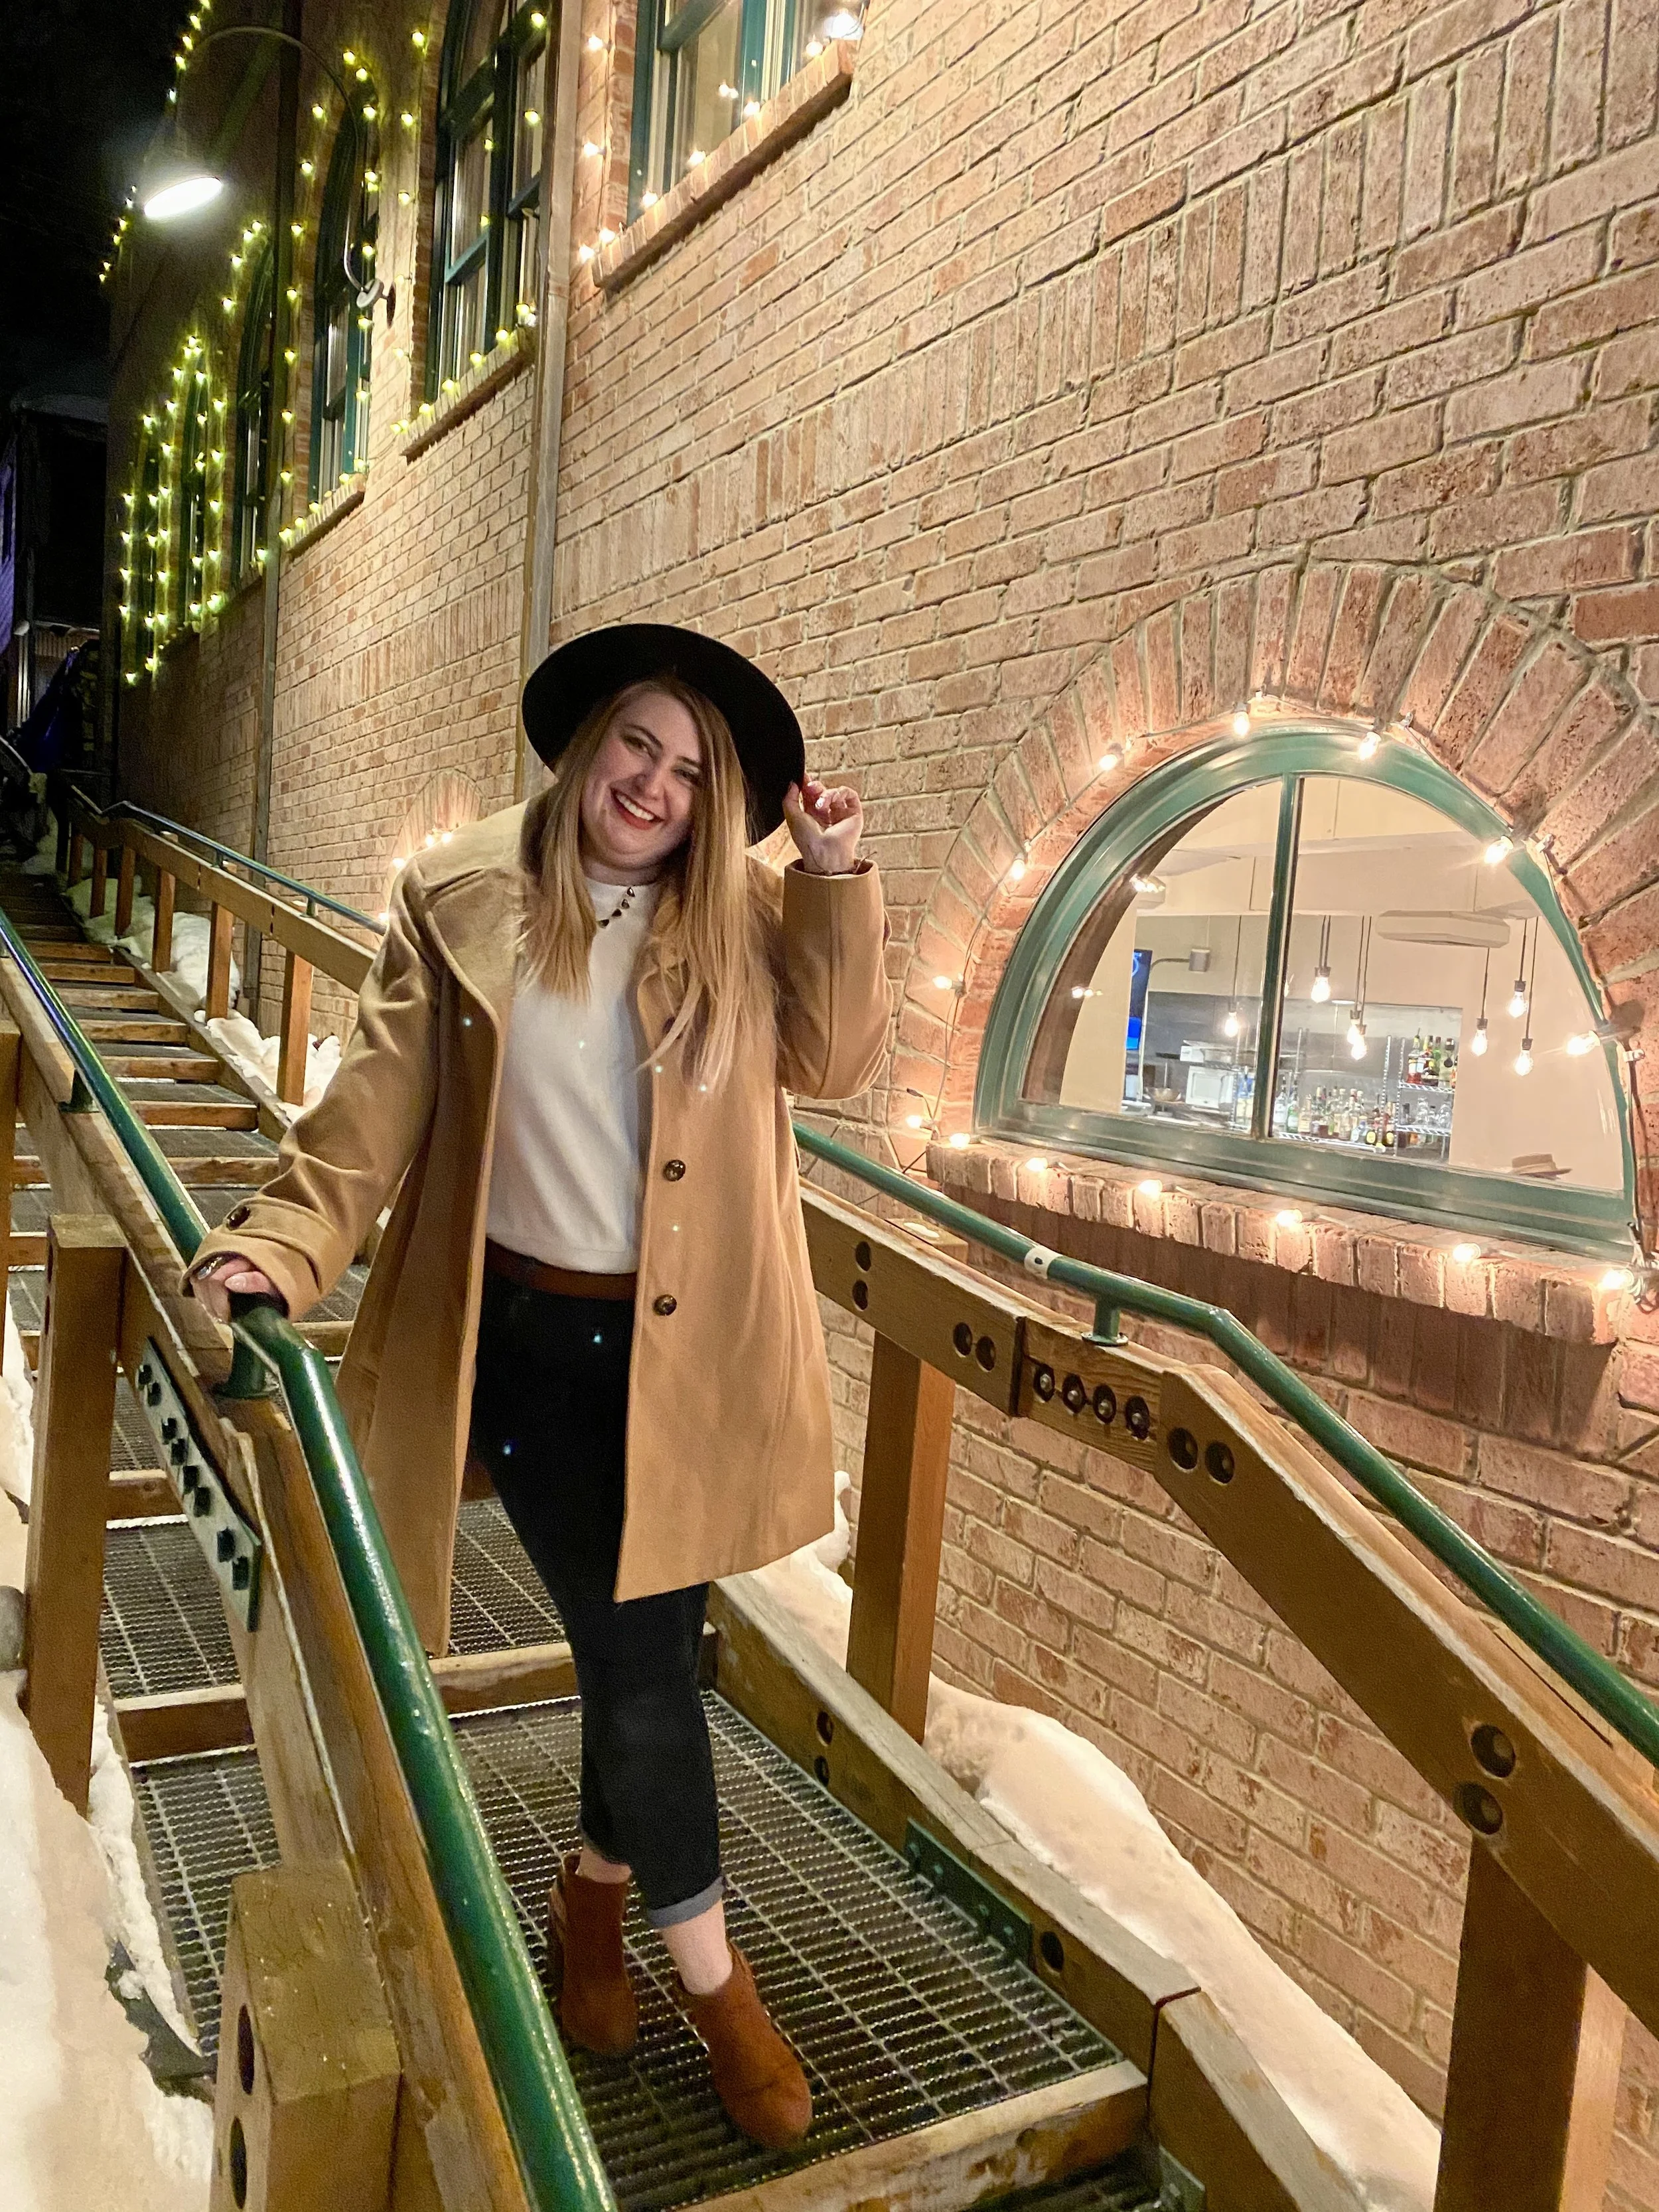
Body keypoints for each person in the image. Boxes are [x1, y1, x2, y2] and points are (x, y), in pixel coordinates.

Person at [187, 625, 891, 2148]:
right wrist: (277, 1246)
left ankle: (590, 1898)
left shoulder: (748, 917)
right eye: (638, 745)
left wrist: (833, 878)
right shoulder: (459, 897)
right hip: (528, 1346)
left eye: (692, 770)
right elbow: (366, 1117)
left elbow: (834, 1057)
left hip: (681, 1362)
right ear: (589, 747)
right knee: (642, 1660)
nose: (654, 785)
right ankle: (715, 1986)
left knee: (647, 1644)